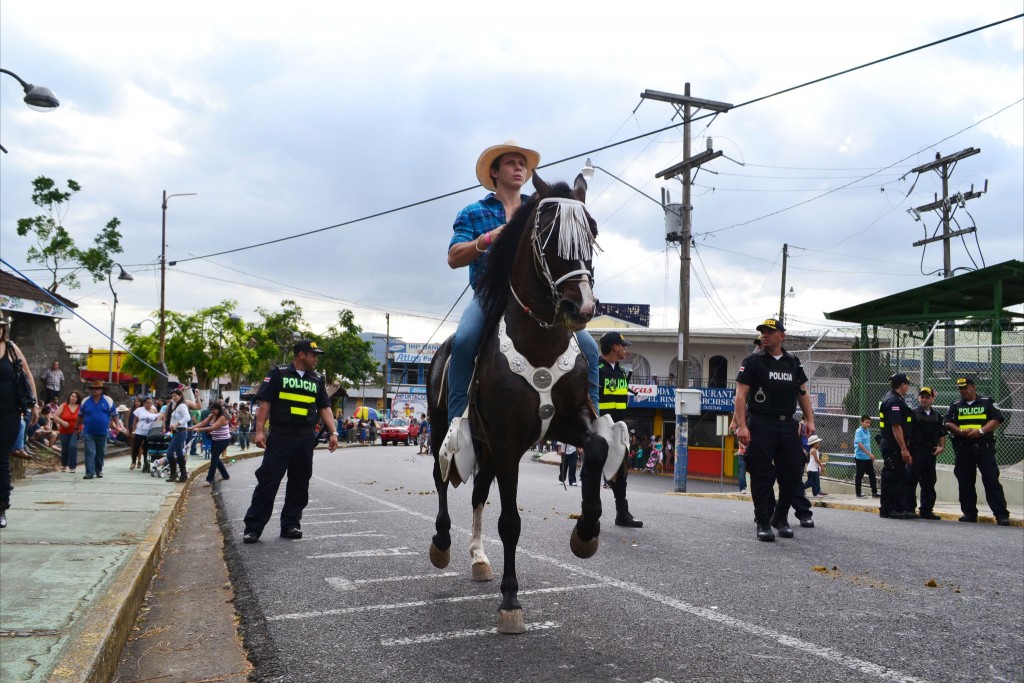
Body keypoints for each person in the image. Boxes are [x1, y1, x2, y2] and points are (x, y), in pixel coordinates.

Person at [441, 140, 601, 455]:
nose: (519, 168)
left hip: (539, 302)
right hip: (489, 297)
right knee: (464, 341)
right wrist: (488, 238)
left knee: (590, 349)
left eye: (522, 164)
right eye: (511, 163)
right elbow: (453, 256)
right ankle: (456, 425)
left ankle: (591, 416)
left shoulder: (541, 208)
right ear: (494, 171)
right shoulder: (474, 212)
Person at [242, 340, 338, 543]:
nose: (316, 358)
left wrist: (334, 432)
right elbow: (265, 404)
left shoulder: (317, 379)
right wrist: (259, 431)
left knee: (300, 483)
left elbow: (325, 408)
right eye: (313, 354)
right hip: (280, 436)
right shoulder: (278, 373)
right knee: (268, 481)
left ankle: (291, 524)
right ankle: (253, 528)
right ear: (301, 354)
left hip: (304, 437)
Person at [733, 318, 815, 542]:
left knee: (792, 474)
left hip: (788, 423)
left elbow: (802, 392)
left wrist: (810, 420)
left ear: (782, 335)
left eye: (770, 331)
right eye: (762, 332)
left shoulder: (792, 362)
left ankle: (780, 517)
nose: (764, 335)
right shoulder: (752, 361)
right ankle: (762, 521)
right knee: (761, 475)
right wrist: (741, 425)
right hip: (761, 423)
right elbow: (740, 395)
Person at [943, 376, 1011, 526]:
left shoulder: (987, 402)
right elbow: (947, 422)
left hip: (984, 448)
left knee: (991, 479)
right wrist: (960, 431)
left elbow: (997, 419)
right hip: (963, 449)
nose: (963, 391)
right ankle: (969, 513)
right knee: (965, 481)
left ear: (974, 387)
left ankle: (1001, 514)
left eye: (966, 388)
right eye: (960, 389)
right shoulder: (955, 405)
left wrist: (980, 431)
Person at [596, 331, 643, 527]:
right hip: (599, 427)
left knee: (621, 472)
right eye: (623, 345)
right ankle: (591, 514)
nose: (625, 349)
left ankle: (622, 514)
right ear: (615, 347)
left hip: (618, 428)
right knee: (594, 470)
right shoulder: (596, 369)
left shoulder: (622, 372)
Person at [1, 317, 39, 528]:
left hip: (9, 413)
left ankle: (2, 506)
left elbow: (27, 375)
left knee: (1, 458)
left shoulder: (11, 348)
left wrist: (33, 403)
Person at [877, 373, 916, 520]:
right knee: (893, 476)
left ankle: (895, 508)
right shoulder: (894, 401)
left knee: (897, 475)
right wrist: (904, 449)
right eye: (907, 384)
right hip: (893, 445)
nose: (907, 387)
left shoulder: (892, 398)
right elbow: (896, 427)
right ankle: (890, 509)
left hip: (891, 444)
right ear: (902, 385)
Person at [907, 387, 945, 520]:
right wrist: (907, 452)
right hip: (916, 452)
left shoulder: (937, 416)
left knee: (929, 482)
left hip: (930, 453)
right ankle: (910, 509)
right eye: (922, 397)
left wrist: (942, 447)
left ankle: (926, 510)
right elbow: (907, 434)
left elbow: (941, 433)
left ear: (933, 399)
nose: (924, 399)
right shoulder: (912, 414)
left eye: (927, 397)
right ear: (918, 398)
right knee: (912, 480)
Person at [77, 380, 119, 480]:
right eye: (92, 389)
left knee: (101, 452)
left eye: (97, 389)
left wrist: (117, 426)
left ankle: (98, 470)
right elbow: (80, 416)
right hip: (88, 431)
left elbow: (114, 414)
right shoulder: (85, 401)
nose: (94, 390)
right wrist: (76, 427)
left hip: (103, 431)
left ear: (101, 390)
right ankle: (89, 472)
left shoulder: (108, 400)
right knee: (90, 452)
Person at [192, 401, 232, 487]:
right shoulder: (212, 416)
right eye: (211, 409)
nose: (213, 411)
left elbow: (213, 427)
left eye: (214, 409)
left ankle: (209, 480)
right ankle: (225, 475)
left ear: (219, 409)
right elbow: (203, 423)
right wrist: (192, 427)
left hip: (223, 440)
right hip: (215, 439)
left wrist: (200, 430)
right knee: (215, 457)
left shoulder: (222, 417)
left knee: (214, 458)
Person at [163, 389, 194, 483]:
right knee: (180, 454)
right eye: (173, 396)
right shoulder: (176, 405)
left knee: (169, 453)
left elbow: (187, 417)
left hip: (181, 432)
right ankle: (183, 475)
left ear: (180, 396)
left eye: (175, 396)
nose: (174, 398)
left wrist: (177, 424)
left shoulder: (182, 406)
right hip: (176, 432)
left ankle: (173, 473)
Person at [53, 390, 83, 473]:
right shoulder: (64, 405)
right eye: (72, 396)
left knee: (72, 446)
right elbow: (55, 416)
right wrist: (62, 422)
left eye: (75, 397)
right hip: (64, 430)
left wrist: (82, 427)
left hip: (75, 430)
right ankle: (64, 465)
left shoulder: (80, 407)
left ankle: (72, 466)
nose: (73, 398)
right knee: (65, 448)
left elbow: (85, 418)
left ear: (78, 399)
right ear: (69, 397)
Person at [853, 415, 878, 498]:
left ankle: (874, 492)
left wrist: (870, 456)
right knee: (859, 475)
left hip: (867, 458)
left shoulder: (868, 431)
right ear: (861, 422)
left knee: (872, 474)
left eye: (869, 423)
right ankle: (858, 493)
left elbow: (868, 445)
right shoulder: (858, 431)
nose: (868, 424)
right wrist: (869, 454)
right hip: (860, 457)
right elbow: (860, 444)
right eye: (866, 422)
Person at [131, 397, 159, 470]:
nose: (149, 404)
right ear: (144, 403)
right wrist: (133, 431)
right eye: (147, 403)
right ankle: (133, 461)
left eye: (150, 403)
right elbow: (135, 420)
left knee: (146, 447)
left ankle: (145, 461)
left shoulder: (154, 410)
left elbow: (157, 420)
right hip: (139, 432)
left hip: (149, 433)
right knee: (136, 446)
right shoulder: (139, 410)